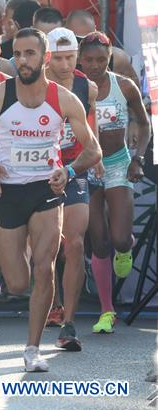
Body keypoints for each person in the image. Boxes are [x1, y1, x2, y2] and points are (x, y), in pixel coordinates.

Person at [0, 28, 101, 372]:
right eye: (18, 55)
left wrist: (67, 171)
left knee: (44, 267)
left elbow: (93, 149)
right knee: (20, 282)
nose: (23, 61)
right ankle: (21, 255)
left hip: (47, 190)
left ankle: (32, 348)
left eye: (30, 54)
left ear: (45, 58)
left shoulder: (65, 99)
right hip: (8, 193)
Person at [77, 31, 151, 335]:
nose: (94, 65)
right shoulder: (74, 88)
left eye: (101, 60)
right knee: (100, 241)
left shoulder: (124, 86)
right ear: (80, 59)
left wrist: (139, 159)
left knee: (120, 239)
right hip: (88, 167)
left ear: (110, 59)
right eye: (89, 60)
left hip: (119, 163)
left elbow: (144, 123)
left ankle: (127, 247)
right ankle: (107, 310)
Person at [42, 28, 98, 349]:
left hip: (73, 167)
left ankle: (69, 324)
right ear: (48, 56)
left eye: (69, 58)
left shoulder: (85, 87)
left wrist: (96, 155)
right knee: (48, 246)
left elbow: (91, 126)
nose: (64, 65)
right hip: (39, 172)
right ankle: (51, 302)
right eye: (58, 58)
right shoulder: (34, 85)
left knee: (74, 243)